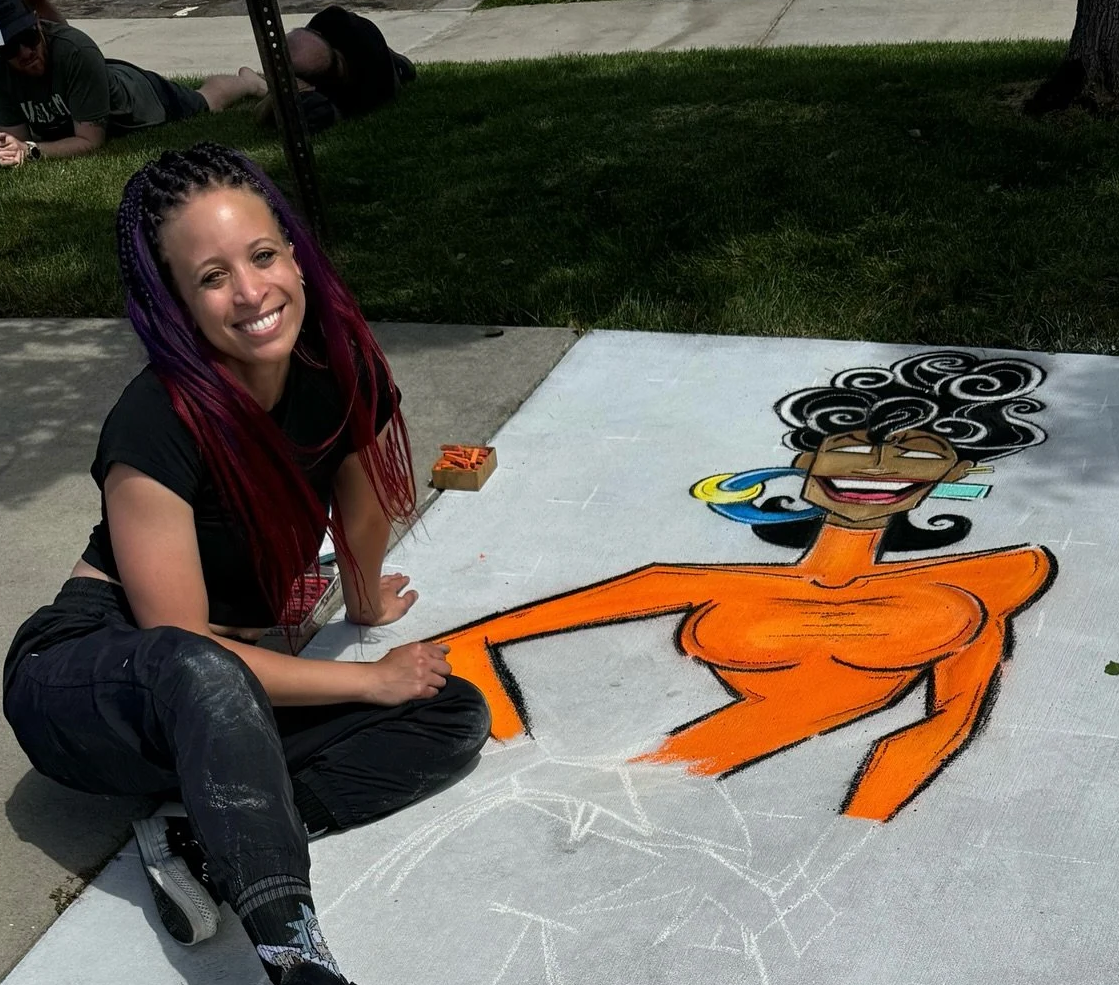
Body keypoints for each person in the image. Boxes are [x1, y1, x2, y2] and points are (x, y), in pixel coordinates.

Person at [1, 141, 492, 985]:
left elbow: (358, 493)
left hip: (216, 688)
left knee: (450, 714)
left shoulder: (336, 363)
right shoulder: (154, 424)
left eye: (263, 255)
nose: (251, 292)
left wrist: (366, 598)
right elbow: (183, 646)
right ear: (176, 305)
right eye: (212, 277)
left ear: (296, 255)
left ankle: (195, 836)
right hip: (91, 679)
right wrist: (362, 681)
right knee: (225, 674)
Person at [440, 353, 1055, 824]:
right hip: (630, 786)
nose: (874, 469)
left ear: (955, 476)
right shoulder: (683, 582)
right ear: (804, 468)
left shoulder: (977, 586)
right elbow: (461, 644)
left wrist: (858, 827)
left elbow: (946, 724)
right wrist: (517, 751)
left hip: (735, 808)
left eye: (918, 456)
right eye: (847, 449)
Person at [0, 0, 265, 166]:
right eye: (9, 47)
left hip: (138, 100)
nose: (25, 52)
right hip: (89, 91)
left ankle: (247, 82)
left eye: (28, 37)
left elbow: (89, 142)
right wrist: (11, 148)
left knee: (206, 101)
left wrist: (30, 150)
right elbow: (16, 137)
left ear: (38, 22)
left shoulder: (75, 50)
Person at [271, 7, 416, 133]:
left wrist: (282, 92)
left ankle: (397, 59)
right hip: (357, 35)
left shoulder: (368, 89)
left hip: (388, 64)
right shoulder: (326, 23)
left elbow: (337, 114)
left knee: (406, 70)